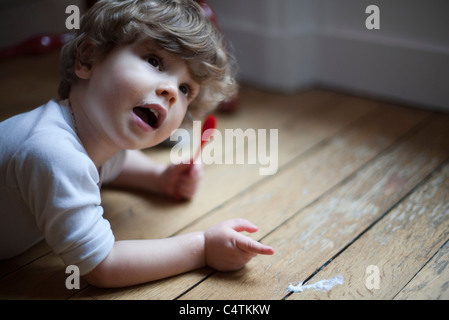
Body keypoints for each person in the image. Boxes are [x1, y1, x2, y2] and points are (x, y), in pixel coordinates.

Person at [0, 0, 274, 288]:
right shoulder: (54, 154)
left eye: (185, 89)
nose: (170, 91)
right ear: (88, 59)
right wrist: (203, 247)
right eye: (154, 61)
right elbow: (103, 265)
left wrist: (158, 178)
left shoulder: (91, 135)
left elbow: (113, 162)